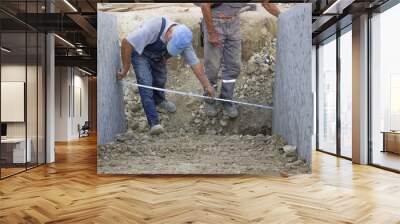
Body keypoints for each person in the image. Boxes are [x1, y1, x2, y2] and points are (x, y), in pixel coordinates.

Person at [117, 17, 215, 135]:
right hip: (140, 54)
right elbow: (126, 42)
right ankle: (154, 123)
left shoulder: (183, 39)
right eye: (170, 44)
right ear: (169, 32)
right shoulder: (153, 27)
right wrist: (126, 68)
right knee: (146, 83)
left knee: (160, 79)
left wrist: (207, 86)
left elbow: (195, 64)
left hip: (158, 56)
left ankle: (159, 101)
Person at [200, 2, 280, 118]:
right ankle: (209, 100)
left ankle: (226, 100)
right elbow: (205, 5)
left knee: (234, 66)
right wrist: (212, 33)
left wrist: (283, 16)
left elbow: (267, 4)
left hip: (233, 23)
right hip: (215, 22)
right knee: (213, 66)